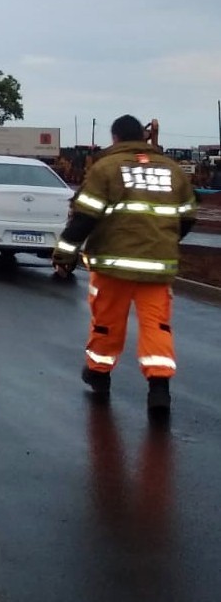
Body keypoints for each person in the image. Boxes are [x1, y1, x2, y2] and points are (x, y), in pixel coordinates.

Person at [53, 115, 196, 415]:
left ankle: (99, 375)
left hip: (112, 265)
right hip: (157, 266)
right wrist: (165, 242)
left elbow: (85, 218)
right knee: (157, 325)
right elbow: (187, 217)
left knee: (107, 322)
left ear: (116, 137)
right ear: (142, 138)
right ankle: (159, 389)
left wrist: (64, 256)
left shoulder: (105, 168)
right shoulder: (171, 170)